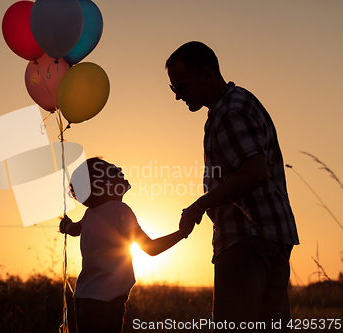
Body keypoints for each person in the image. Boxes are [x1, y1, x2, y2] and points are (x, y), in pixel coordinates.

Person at [165, 41, 299, 332]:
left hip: (245, 239)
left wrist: (200, 205)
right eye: (173, 90)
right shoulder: (241, 102)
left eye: (182, 88)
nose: (178, 97)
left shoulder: (228, 112)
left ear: (207, 76)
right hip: (273, 236)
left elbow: (255, 172)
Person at [59, 157, 192, 333]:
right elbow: (151, 249)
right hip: (106, 301)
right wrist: (182, 233)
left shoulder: (90, 214)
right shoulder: (120, 210)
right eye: (113, 171)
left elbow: (74, 229)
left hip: (83, 297)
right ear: (101, 187)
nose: (120, 171)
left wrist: (65, 225)